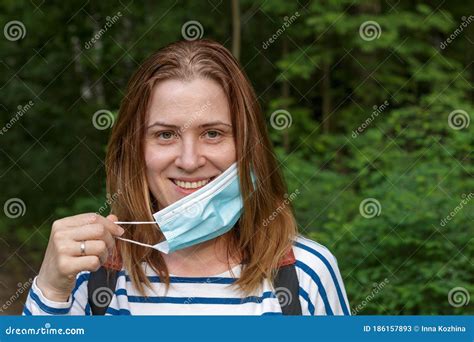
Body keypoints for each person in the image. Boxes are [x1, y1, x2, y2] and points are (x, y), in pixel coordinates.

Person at [23, 39, 350, 315]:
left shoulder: (305, 272)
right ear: (135, 149)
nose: (190, 160)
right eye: (165, 135)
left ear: (248, 146)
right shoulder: (89, 274)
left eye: (212, 133)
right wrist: (51, 288)